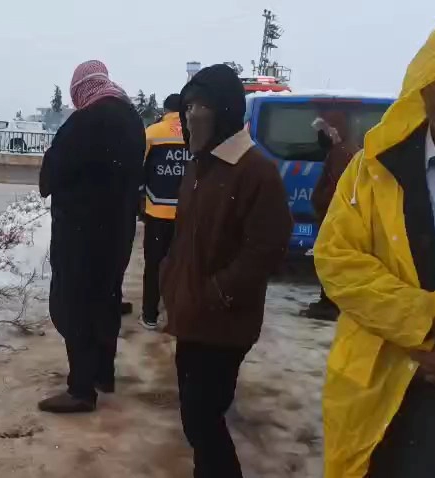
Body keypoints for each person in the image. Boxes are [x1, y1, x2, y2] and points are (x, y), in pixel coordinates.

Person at [314, 14, 435, 478]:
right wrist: (433, 312)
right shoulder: (371, 170)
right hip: (387, 389)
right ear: (425, 86)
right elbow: (338, 263)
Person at [160, 64, 292, 477]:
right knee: (194, 415)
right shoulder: (200, 164)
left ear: (225, 110)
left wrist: (217, 292)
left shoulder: (254, 171)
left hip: (224, 322)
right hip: (192, 315)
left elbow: (267, 247)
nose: (191, 116)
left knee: (203, 416)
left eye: (201, 106)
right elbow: (185, 235)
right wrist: (170, 277)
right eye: (187, 107)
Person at [38, 60, 144, 413]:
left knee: (74, 307)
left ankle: (81, 390)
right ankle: (102, 373)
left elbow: (50, 176)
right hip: (117, 233)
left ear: (80, 88)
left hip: (81, 234)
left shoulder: (85, 121)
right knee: (105, 301)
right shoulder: (132, 120)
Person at [302, 113, 360, 321]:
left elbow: (337, 188)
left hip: (335, 217)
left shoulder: (341, 153)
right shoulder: (343, 150)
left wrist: (321, 201)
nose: (320, 137)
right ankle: (328, 301)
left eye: (323, 132)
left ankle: (330, 304)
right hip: (334, 216)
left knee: (331, 260)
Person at [139, 93, 188, 330]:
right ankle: (178, 316)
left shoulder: (153, 132)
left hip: (157, 212)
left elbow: (139, 168)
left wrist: (140, 198)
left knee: (154, 266)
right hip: (188, 215)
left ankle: (150, 315)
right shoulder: (196, 133)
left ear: (166, 110)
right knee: (183, 266)